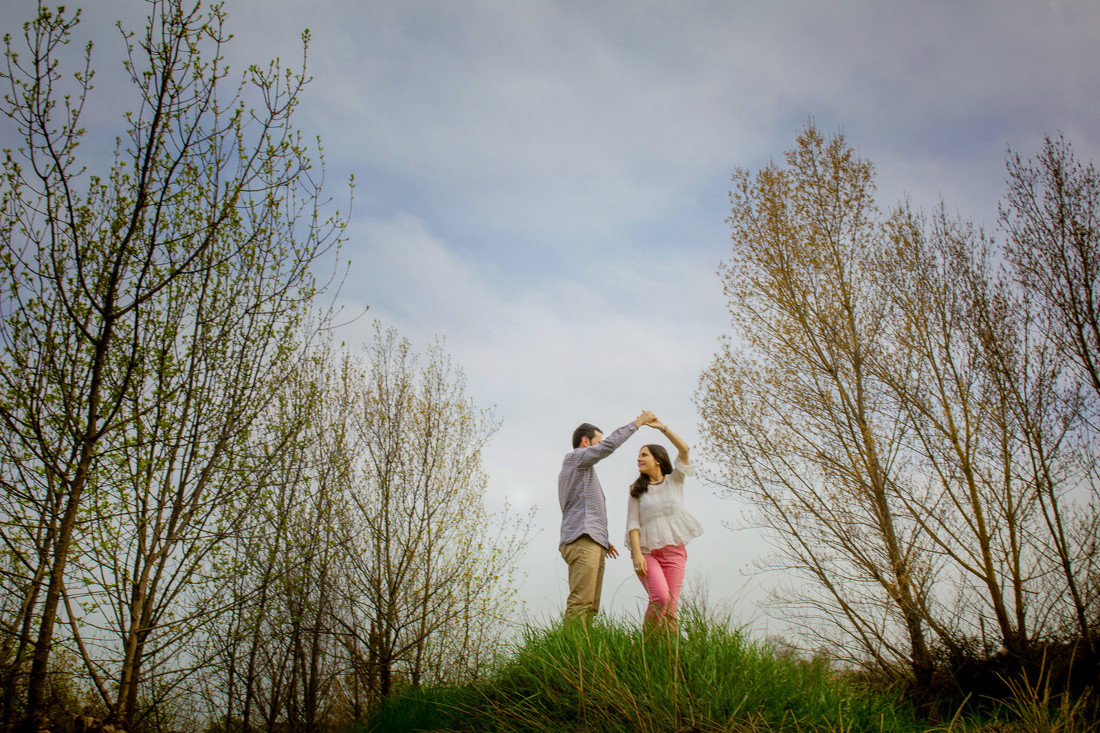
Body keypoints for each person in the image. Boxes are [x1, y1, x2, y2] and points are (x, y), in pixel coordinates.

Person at [559, 410, 657, 622]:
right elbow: (609, 446)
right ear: (586, 442)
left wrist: (601, 539)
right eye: (598, 441)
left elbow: (580, 507)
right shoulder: (576, 459)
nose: (602, 445)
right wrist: (638, 423)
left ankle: (584, 652)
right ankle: (571, 652)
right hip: (582, 540)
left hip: (591, 540)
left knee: (590, 606)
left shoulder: (581, 471)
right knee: (581, 603)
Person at [625, 420, 703, 631]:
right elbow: (633, 523)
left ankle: (670, 658)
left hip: (675, 553)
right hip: (647, 553)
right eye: (639, 455)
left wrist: (662, 428)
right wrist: (637, 554)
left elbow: (684, 449)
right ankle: (646, 646)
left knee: (671, 610)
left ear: (658, 460)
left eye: (644, 455)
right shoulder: (636, 489)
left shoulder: (675, 481)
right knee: (660, 598)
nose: (639, 458)